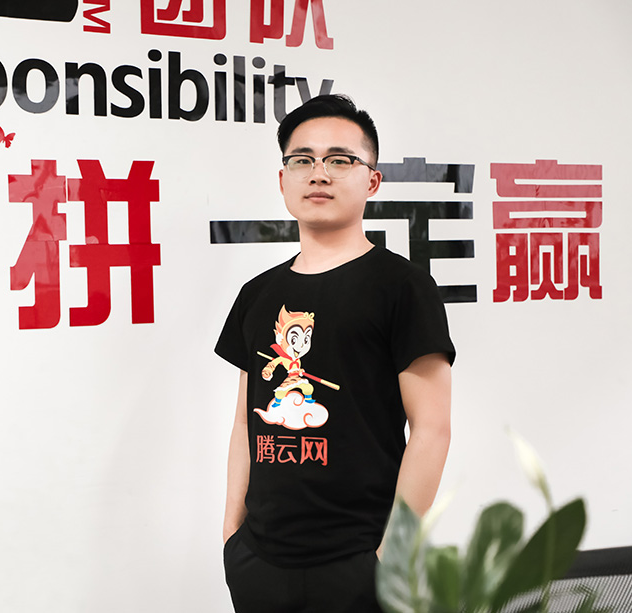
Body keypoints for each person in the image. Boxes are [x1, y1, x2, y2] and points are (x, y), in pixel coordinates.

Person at [215, 94, 455, 613]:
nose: (318, 173)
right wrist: (233, 537)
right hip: (259, 561)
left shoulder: (403, 287)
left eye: (340, 160)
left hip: (359, 563)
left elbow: (432, 429)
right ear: (283, 179)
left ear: (372, 180)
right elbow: (242, 422)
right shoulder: (257, 294)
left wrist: (390, 558)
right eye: (302, 160)